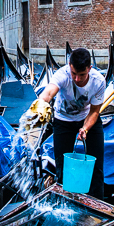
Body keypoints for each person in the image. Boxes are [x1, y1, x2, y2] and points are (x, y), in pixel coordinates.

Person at [34, 47, 107, 197]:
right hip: (63, 121)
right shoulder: (62, 75)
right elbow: (48, 92)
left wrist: (85, 128)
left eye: (82, 75)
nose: (77, 79)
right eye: (74, 74)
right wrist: (40, 105)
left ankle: (98, 203)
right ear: (69, 66)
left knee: (96, 165)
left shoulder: (98, 81)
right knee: (62, 167)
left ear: (90, 69)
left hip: (88, 119)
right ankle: (64, 200)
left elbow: (94, 111)